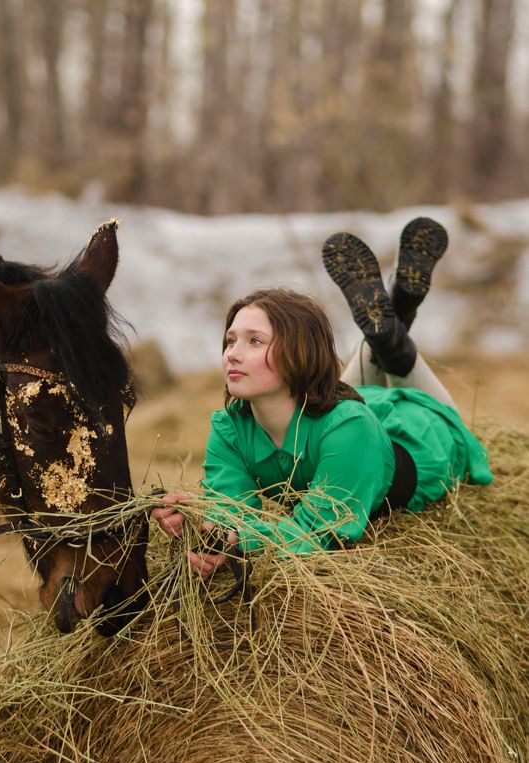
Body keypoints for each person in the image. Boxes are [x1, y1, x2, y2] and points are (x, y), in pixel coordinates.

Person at [151, 218, 493, 578]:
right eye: (231, 340)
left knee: (447, 418)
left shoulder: (350, 429)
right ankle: (391, 322)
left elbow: (319, 532)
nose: (232, 353)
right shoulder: (230, 428)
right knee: (333, 400)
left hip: (418, 440)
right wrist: (203, 526)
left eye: (254, 341)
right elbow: (236, 516)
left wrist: (239, 541)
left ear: (297, 353)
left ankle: (396, 326)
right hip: (336, 412)